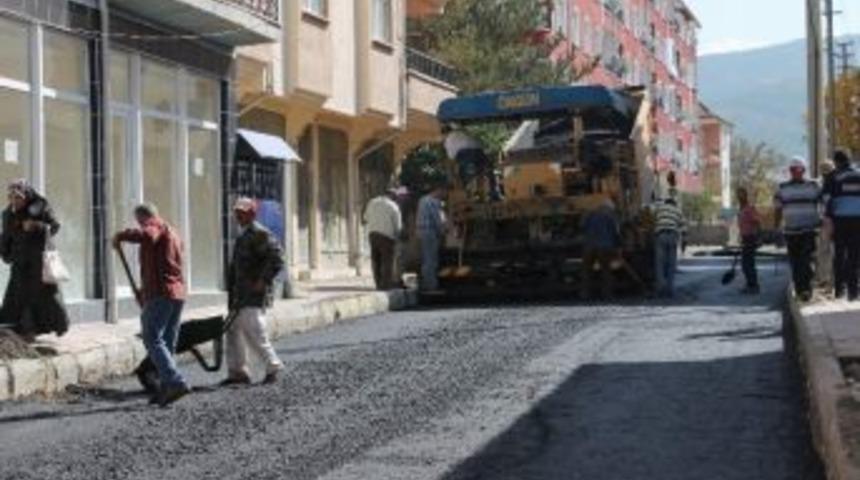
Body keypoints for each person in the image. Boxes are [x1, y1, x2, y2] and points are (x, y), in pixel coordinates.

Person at [113, 203, 190, 406]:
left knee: (152, 337)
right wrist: (143, 291)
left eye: (139, 221)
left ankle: (174, 381)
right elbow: (163, 262)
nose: (140, 225)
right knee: (167, 341)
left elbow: (147, 235)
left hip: (161, 292)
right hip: (176, 292)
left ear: (143, 217)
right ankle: (166, 387)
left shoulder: (154, 226)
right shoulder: (173, 232)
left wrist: (122, 235)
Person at [222, 197, 285, 386]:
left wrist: (263, 280)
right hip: (239, 294)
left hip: (253, 295)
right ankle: (238, 372)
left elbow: (277, 258)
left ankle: (273, 367)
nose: (238, 216)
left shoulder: (259, 233)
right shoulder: (244, 235)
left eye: (242, 213)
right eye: (237, 213)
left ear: (252, 214)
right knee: (233, 331)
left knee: (255, 332)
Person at [0, 179, 68, 341]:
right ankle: (23, 330)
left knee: (42, 296)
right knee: (17, 296)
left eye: (18, 197)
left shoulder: (40, 208)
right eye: (11, 197)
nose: (15, 201)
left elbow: (55, 226)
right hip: (19, 261)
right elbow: (6, 236)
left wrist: (37, 226)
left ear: (27, 196)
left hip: (39, 262)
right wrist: (5, 254)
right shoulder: (7, 214)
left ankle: (49, 326)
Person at [773, 157, 821, 301]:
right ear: (790, 171)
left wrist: (823, 220)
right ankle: (800, 290)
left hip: (809, 229)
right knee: (795, 261)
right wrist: (777, 228)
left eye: (798, 169)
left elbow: (823, 203)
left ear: (804, 170)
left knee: (806, 260)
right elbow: (777, 209)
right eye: (793, 169)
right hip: (791, 231)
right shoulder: (782, 187)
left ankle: (807, 288)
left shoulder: (814, 186)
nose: (796, 172)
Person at [826, 149, 860, 300]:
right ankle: (854, 291)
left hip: (839, 221)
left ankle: (839, 290)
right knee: (854, 256)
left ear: (836, 162)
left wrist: (828, 220)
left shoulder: (833, 177)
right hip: (857, 220)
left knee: (839, 255)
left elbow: (826, 200)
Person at [581, 199, 621, 300]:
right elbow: (615, 232)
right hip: (604, 247)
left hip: (589, 247)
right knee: (606, 271)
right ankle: (606, 295)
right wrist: (618, 246)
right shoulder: (610, 217)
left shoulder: (590, 215)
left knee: (587, 271)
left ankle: (585, 294)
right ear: (608, 208)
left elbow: (582, 226)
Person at [363, 188, 403, 290]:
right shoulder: (393, 206)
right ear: (393, 196)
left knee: (376, 260)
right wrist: (397, 239)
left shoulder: (372, 202)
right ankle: (385, 285)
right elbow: (398, 226)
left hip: (373, 235)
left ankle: (378, 283)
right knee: (387, 261)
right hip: (387, 237)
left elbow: (365, 218)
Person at [416, 184, 448, 293]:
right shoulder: (435, 202)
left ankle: (425, 283)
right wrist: (443, 231)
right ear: (439, 190)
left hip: (421, 231)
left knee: (426, 258)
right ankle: (431, 286)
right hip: (430, 232)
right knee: (431, 259)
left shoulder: (422, 200)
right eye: (444, 192)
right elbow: (437, 219)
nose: (444, 195)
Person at [653, 197, 686, 298]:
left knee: (660, 263)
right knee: (671, 264)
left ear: (665, 203)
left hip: (661, 235)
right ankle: (669, 290)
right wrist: (684, 243)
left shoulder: (659, 209)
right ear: (674, 204)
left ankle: (660, 288)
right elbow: (684, 227)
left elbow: (653, 221)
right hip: (672, 236)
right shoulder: (678, 211)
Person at [736, 187, 761, 295]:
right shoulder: (741, 209)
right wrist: (741, 236)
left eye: (741, 195)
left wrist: (758, 237)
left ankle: (753, 285)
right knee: (746, 263)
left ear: (745, 196)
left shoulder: (749, 209)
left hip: (750, 238)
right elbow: (742, 225)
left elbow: (757, 222)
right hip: (745, 238)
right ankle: (750, 284)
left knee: (748, 263)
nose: (740, 197)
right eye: (738, 195)